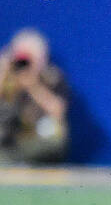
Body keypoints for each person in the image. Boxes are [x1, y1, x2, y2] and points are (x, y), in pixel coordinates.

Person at [0, 29, 69, 166]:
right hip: (8, 141)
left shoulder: (51, 78)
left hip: (36, 141)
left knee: (53, 139)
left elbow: (58, 111)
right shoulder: (7, 78)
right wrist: (4, 71)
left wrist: (33, 85)